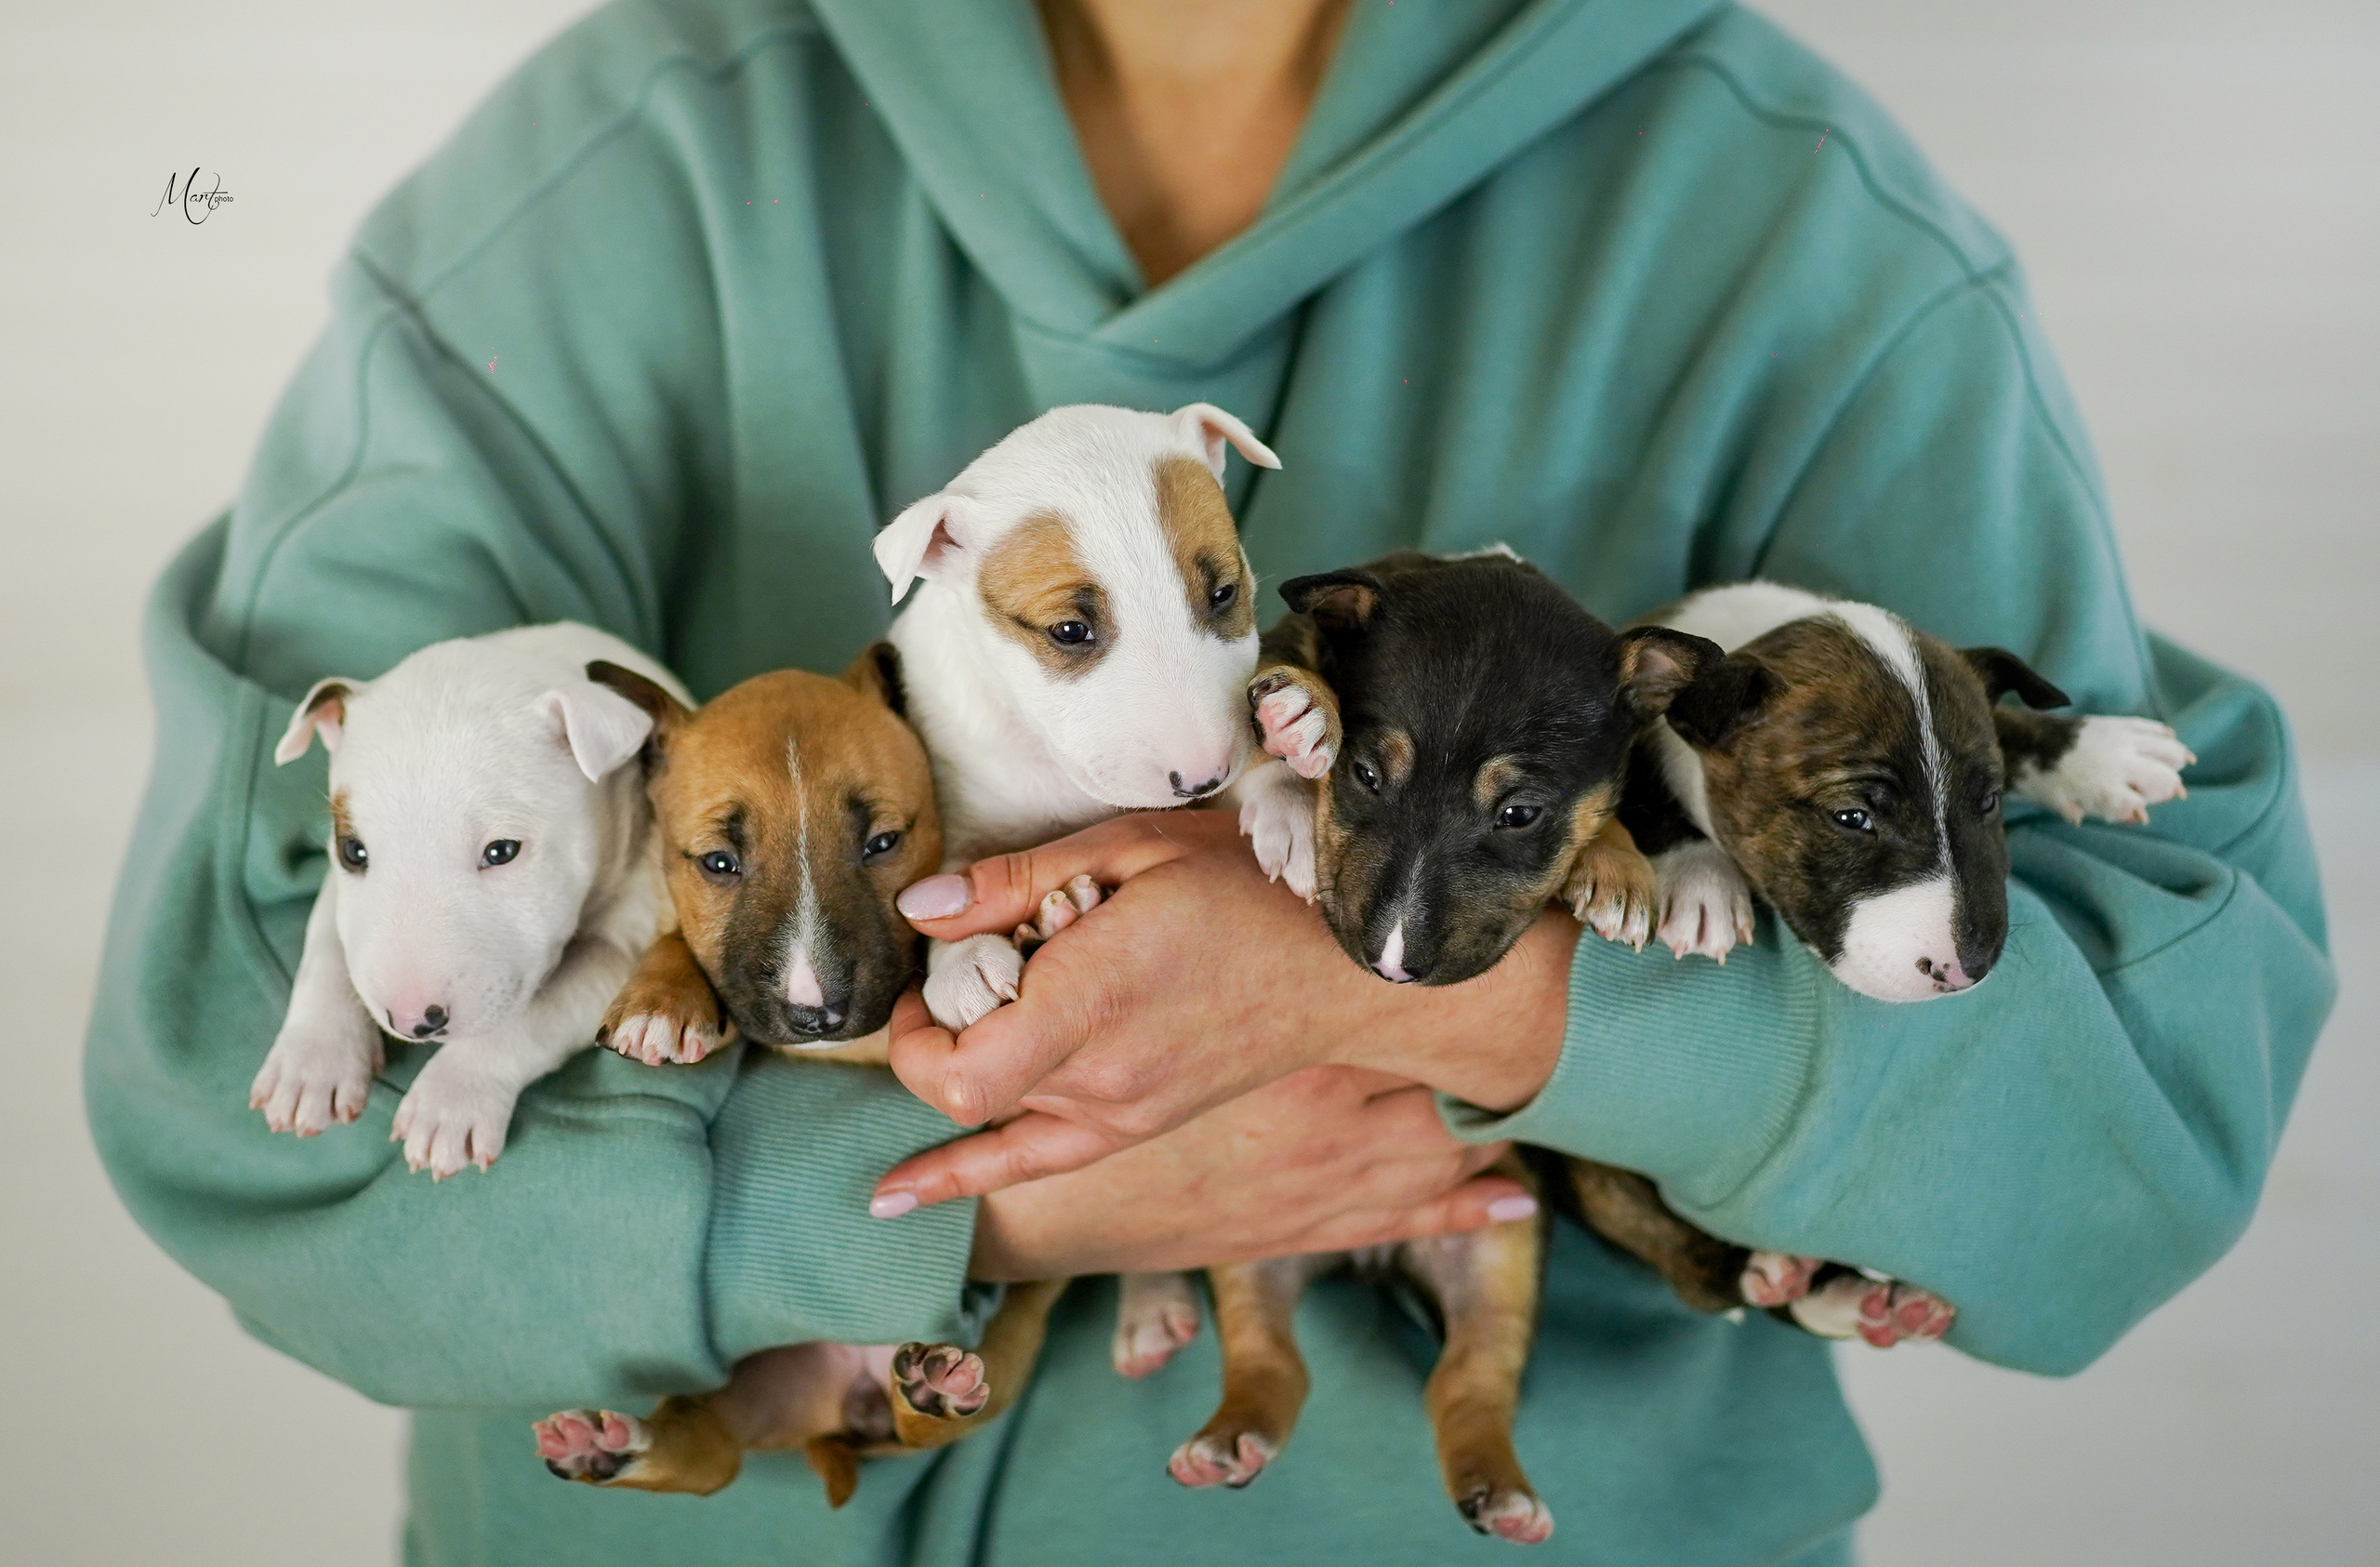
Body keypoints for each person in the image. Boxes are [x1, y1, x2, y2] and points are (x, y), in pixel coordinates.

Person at [87, 0, 2334, 1562]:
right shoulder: (572, 209)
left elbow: (2144, 1124)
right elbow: (229, 1110)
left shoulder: (1814, 247)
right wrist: (999, 1192)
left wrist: (1460, 1004)